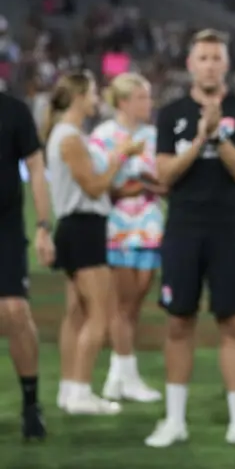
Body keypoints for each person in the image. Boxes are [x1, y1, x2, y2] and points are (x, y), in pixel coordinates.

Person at [145, 29, 235, 449]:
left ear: (226, 64)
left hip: (229, 228)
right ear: (190, 64)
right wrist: (200, 136)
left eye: (217, 57)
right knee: (179, 321)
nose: (210, 64)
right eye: (203, 57)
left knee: (233, 323)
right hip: (183, 227)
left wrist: (219, 135)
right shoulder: (171, 113)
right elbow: (164, 174)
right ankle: (174, 420)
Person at [45, 70, 142, 415]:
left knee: (76, 314)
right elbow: (94, 187)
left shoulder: (66, 135)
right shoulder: (70, 138)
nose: (97, 98)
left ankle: (69, 390)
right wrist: (121, 156)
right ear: (79, 97)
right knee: (100, 314)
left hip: (75, 226)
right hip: (84, 226)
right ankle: (82, 393)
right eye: (93, 93)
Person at [91, 72, 165, 403]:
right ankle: (126, 375)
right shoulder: (103, 136)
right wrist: (140, 183)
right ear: (123, 102)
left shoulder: (154, 135)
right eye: (142, 97)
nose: (148, 103)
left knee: (135, 303)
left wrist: (141, 184)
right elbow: (103, 185)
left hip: (150, 224)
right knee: (122, 303)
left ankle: (118, 376)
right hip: (117, 225)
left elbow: (166, 182)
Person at [0, 87, 54, 439]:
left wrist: (43, 227)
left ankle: (31, 403)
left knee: (15, 311)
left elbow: (35, 167)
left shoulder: (14, 110)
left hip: (5, 229)